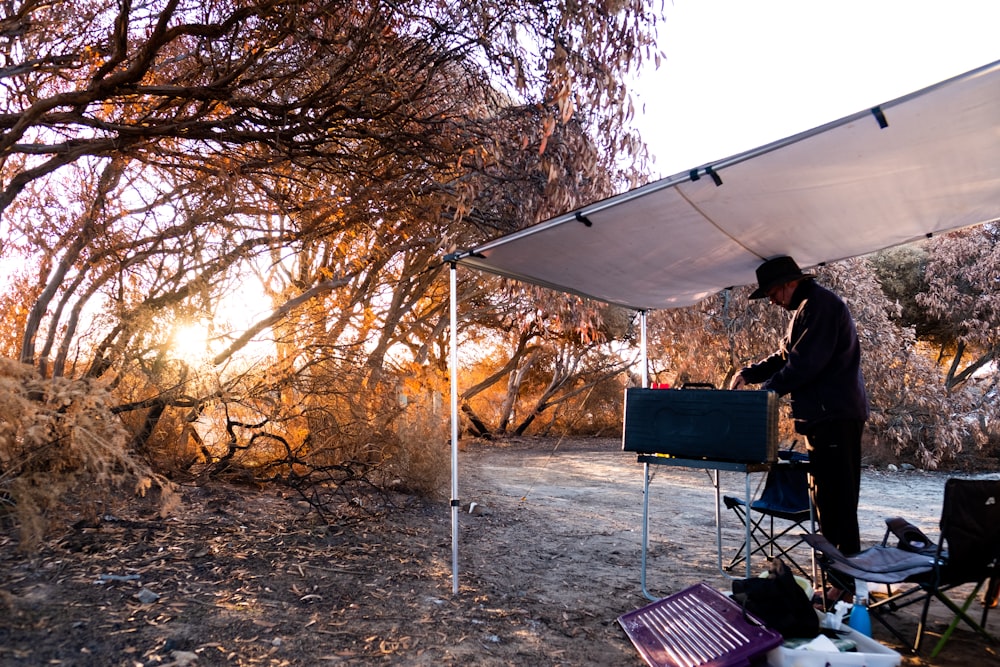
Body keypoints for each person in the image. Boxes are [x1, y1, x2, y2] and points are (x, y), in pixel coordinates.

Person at [730, 256, 869, 601]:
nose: (773, 300)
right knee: (826, 500)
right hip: (821, 419)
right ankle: (841, 580)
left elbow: (803, 366)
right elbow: (785, 356)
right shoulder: (804, 310)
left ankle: (846, 586)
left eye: (774, 292)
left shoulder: (820, 306)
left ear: (790, 283)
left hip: (835, 417)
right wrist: (749, 373)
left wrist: (766, 393)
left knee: (838, 500)